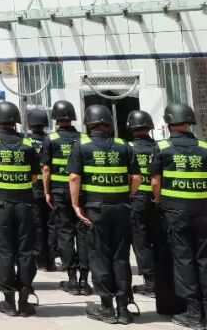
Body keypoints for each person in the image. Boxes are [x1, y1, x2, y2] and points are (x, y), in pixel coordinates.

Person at [149, 103, 207, 330]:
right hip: (204, 212)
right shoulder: (205, 148)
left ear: (169, 122)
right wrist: (203, 200)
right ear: (189, 122)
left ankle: (193, 313)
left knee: (184, 259)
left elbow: (155, 183)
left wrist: (160, 201)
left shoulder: (162, 148)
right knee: (206, 259)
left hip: (175, 213)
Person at [69, 104, 140, 324]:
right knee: (120, 257)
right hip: (121, 208)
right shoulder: (124, 145)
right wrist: (126, 195)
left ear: (88, 124)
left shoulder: (82, 146)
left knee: (100, 257)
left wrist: (75, 205)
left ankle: (107, 308)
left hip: (96, 210)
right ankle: (124, 308)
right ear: (109, 123)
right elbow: (136, 178)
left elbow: (74, 178)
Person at [0, 101, 41, 317]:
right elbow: (34, 177)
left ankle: (9, 302)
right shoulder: (28, 144)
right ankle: (24, 300)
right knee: (25, 251)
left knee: (4, 250)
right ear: (16, 121)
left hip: (0, 206)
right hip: (25, 205)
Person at [44, 99, 91, 296]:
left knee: (65, 233)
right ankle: (84, 280)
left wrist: (47, 191)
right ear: (72, 117)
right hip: (81, 192)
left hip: (60, 192)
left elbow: (46, 169)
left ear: (55, 118)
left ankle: (72, 279)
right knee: (83, 234)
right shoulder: (84, 138)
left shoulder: (51, 139)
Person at [126, 110, 159, 298]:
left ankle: (151, 283)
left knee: (141, 241)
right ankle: (162, 280)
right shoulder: (159, 147)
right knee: (159, 239)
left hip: (137, 200)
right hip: (158, 200)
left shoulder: (128, 148)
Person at [26, 107, 57, 272]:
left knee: (37, 225)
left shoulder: (25, 141)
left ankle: (40, 260)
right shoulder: (51, 140)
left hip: (33, 188)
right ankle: (51, 259)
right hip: (51, 188)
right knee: (51, 225)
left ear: (29, 125)